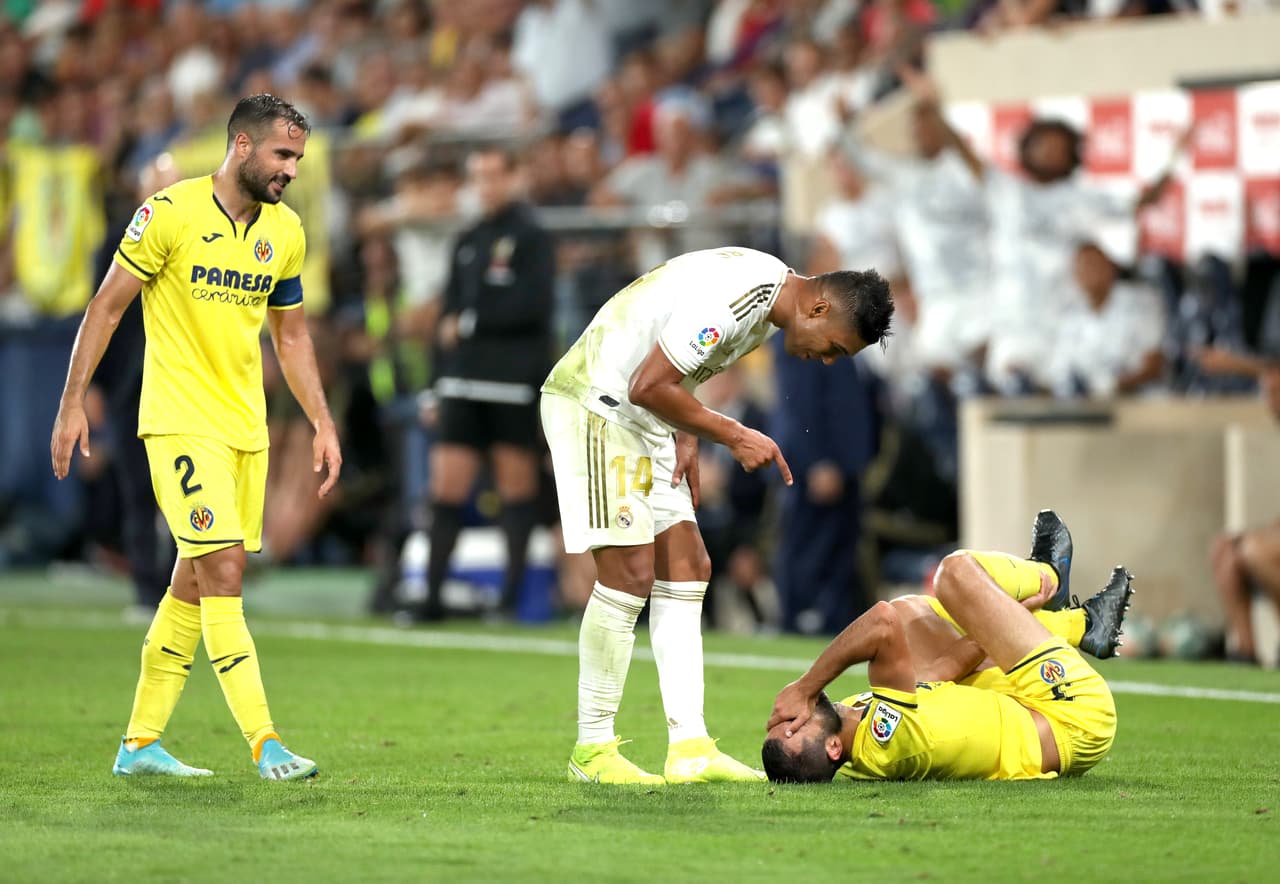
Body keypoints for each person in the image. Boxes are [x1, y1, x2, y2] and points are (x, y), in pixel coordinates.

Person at [50, 94, 342, 780]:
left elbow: (291, 335)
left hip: (246, 428)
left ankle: (139, 744)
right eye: (281, 154)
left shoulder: (286, 232)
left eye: (297, 158)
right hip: (179, 423)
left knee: (191, 582)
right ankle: (265, 742)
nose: (291, 170)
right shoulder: (169, 213)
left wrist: (323, 421)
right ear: (240, 145)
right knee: (226, 573)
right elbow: (106, 306)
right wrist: (71, 402)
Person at [541, 246, 894, 784]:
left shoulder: (766, 302)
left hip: (647, 418)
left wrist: (688, 429)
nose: (825, 360)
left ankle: (690, 749)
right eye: (835, 349)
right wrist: (730, 432)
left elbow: (675, 365)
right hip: (600, 404)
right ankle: (592, 751)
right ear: (819, 308)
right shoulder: (745, 295)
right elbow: (647, 383)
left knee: (688, 567)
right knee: (629, 575)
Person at [763, 510, 1132, 783]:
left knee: (910, 616)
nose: (792, 716)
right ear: (832, 749)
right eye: (795, 729)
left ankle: (1084, 626)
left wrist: (1005, 616)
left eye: (780, 724)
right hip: (1072, 718)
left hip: (1022, 706)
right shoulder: (885, 740)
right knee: (954, 575)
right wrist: (806, 686)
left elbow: (939, 674)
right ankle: (1049, 575)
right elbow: (880, 622)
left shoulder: (858, 723)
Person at [416, 146, 555, 621]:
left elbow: (533, 308)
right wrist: (434, 384)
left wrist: (472, 322)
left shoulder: (533, 238)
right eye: (478, 178)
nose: (486, 187)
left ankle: (509, 602)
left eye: (494, 176)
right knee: (445, 490)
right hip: (461, 383)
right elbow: (444, 319)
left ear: (513, 178)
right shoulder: (469, 239)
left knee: (516, 492)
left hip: (511, 384)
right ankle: (431, 598)